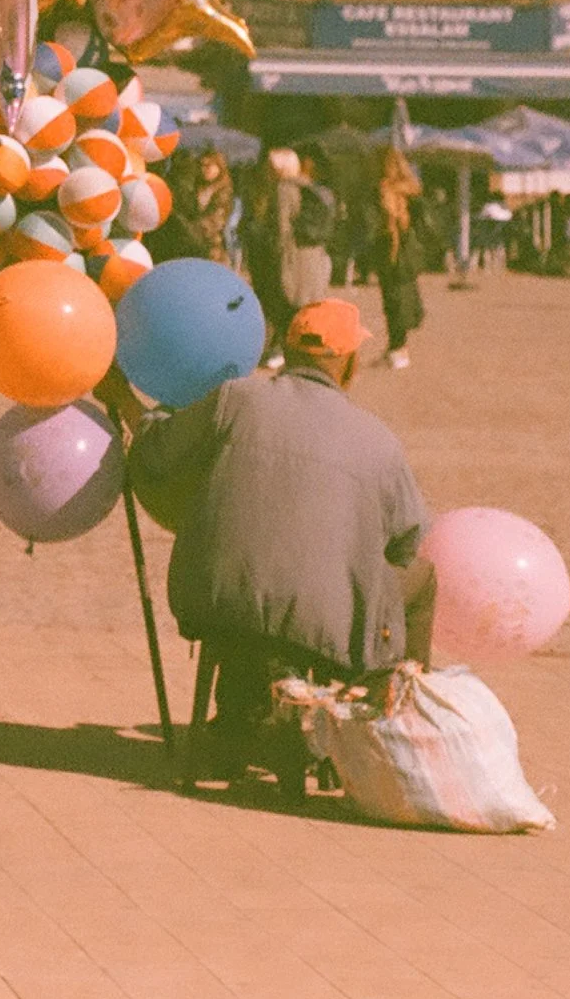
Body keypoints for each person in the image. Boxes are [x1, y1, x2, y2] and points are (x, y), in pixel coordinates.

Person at [116, 299, 436, 790]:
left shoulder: (233, 398)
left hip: (214, 597)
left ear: (285, 350)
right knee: (423, 579)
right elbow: (407, 541)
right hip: (328, 623)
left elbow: (157, 456)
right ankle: (388, 730)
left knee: (263, 569)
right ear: (349, 365)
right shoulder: (378, 441)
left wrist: (123, 398)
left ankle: (242, 719)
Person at [243, 147, 333, 368]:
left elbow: (281, 231)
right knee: (304, 310)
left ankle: (290, 354)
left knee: (285, 308)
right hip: (311, 258)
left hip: (292, 258)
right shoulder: (308, 187)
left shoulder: (283, 189)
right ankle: (306, 354)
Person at [369, 149, 427, 370]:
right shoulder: (413, 191)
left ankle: (398, 350)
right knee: (403, 298)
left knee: (392, 301)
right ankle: (398, 348)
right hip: (408, 251)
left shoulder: (382, 190)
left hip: (389, 251)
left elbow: (374, 223)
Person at [155, 146, 235, 265]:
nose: (205, 169)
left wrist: (186, 226)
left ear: (219, 167)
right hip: (192, 246)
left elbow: (214, 221)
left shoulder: (223, 191)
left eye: (210, 165)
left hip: (212, 247)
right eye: (202, 165)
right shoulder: (196, 187)